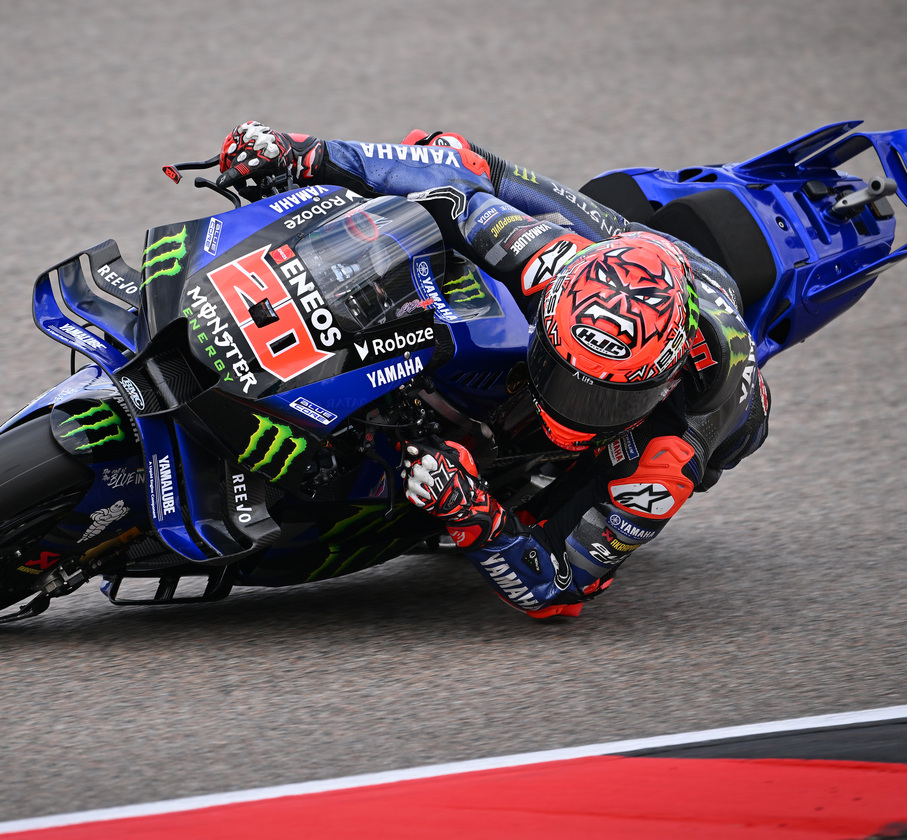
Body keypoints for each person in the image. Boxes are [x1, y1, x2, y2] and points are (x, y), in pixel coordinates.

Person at [214, 122, 771, 619]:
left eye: (606, 399)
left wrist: (472, 512)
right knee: (450, 151)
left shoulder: (670, 456)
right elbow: (450, 184)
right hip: (630, 249)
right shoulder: (548, 261)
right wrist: (307, 153)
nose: (572, 407)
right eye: (561, 374)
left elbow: (558, 590)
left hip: (711, 406)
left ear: (664, 383)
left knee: (583, 505)